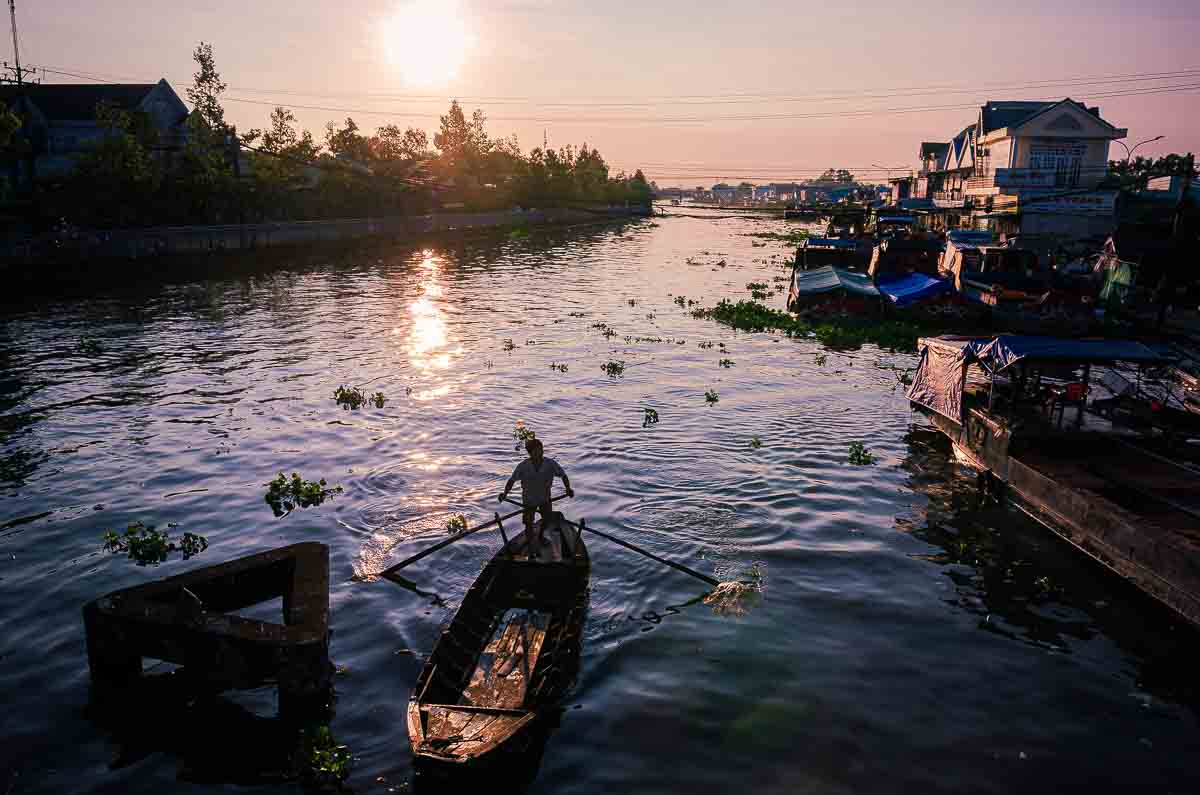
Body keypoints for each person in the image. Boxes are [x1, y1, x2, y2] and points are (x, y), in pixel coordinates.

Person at [499, 438, 573, 548]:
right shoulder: (523, 466)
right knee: (528, 523)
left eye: (541, 449)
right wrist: (505, 494)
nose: (540, 452)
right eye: (536, 450)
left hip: (545, 498)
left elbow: (563, 475)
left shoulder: (550, 464)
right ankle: (530, 543)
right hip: (529, 500)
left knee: (547, 520)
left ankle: (541, 536)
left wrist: (568, 489)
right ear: (530, 453)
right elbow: (512, 480)